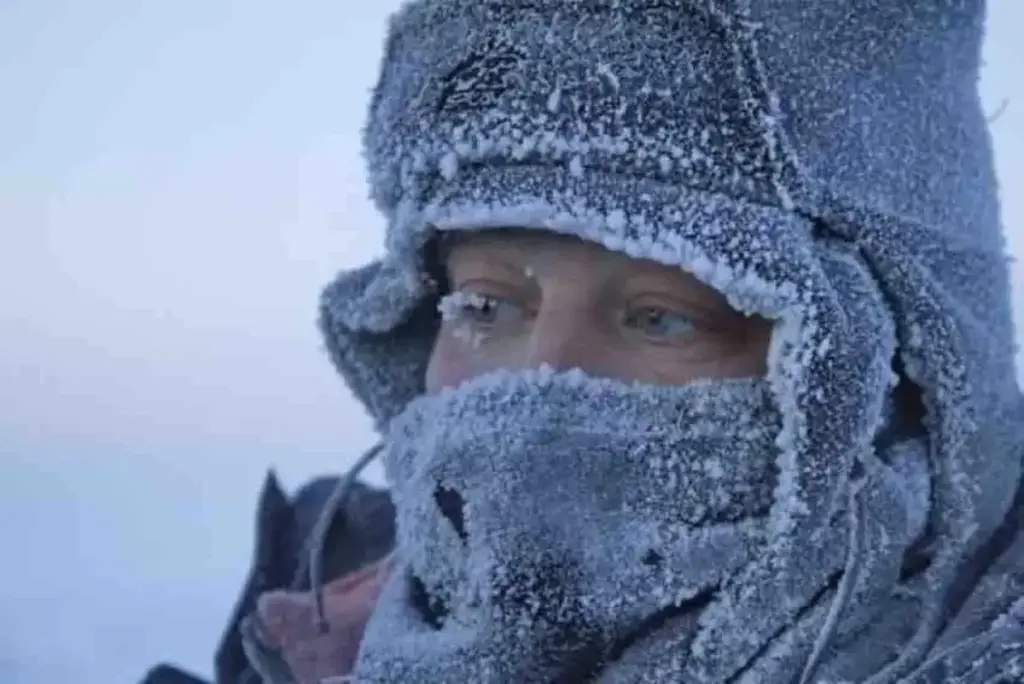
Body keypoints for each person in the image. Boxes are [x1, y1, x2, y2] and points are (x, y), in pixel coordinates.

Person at [143, 0, 1024, 682]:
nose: (543, 383)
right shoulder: (316, 612)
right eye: (485, 307)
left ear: (903, 382)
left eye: (662, 317)